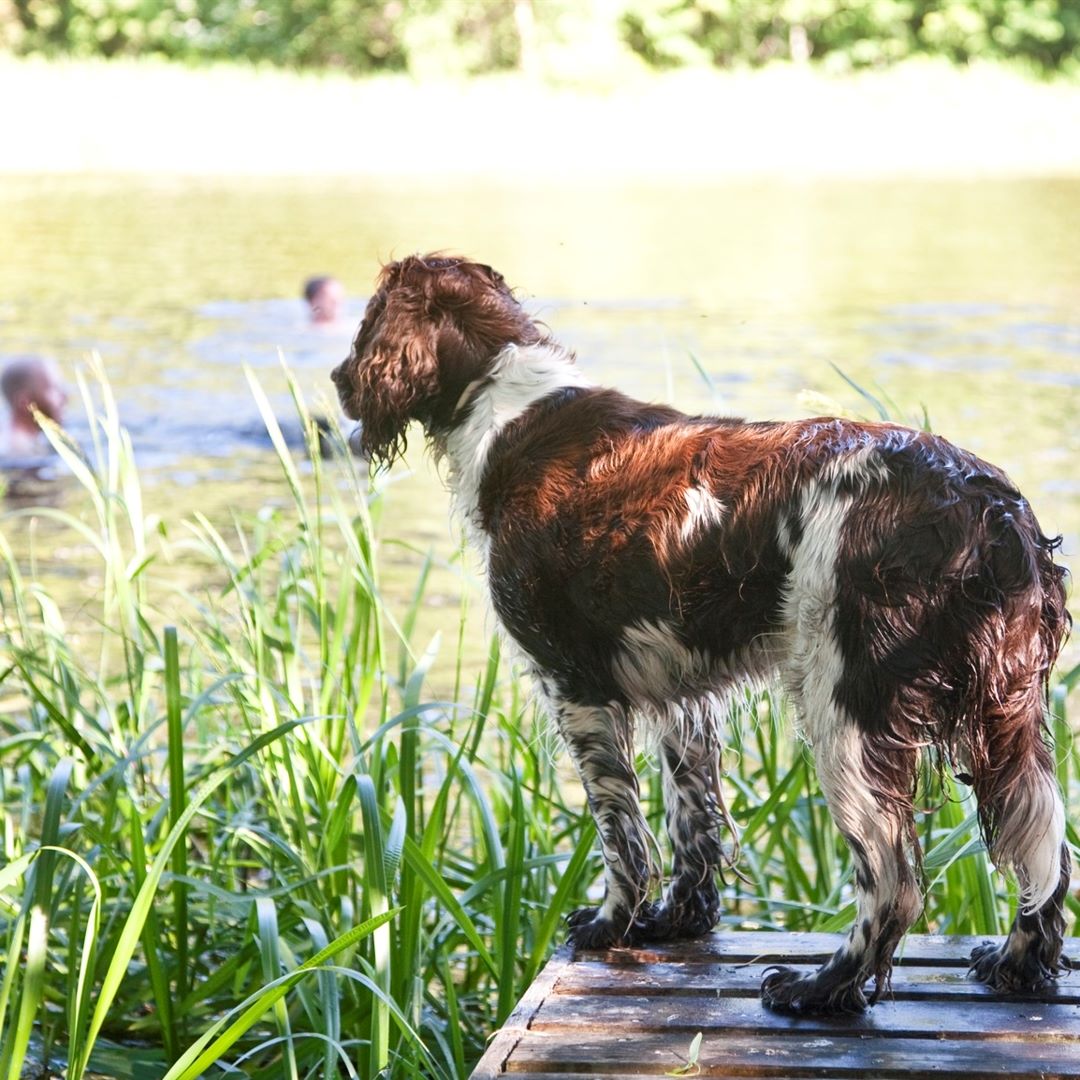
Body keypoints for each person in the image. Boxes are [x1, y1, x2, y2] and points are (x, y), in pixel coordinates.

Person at [0, 356, 67, 458]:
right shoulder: (21, 455)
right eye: (53, 389)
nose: (64, 397)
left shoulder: (6, 433)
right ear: (25, 403)